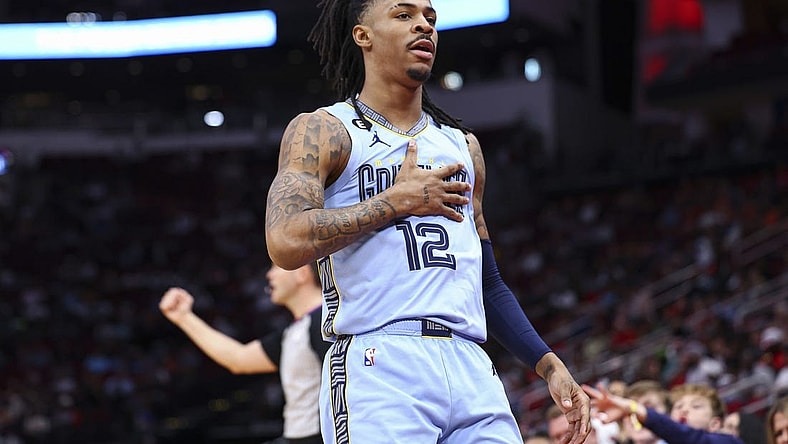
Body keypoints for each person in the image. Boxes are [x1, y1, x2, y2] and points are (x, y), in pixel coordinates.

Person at [263, 0, 591, 443]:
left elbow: (487, 281)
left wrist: (547, 363)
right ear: (364, 36)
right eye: (403, 15)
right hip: (380, 363)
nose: (423, 25)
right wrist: (395, 202)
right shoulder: (325, 131)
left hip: (470, 363)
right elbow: (284, 240)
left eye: (430, 18)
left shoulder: (463, 147)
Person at [159, 263, 328, 444]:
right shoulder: (297, 329)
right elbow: (239, 359)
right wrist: (183, 317)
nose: (269, 275)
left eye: (276, 267)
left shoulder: (325, 323)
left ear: (302, 274)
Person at [583, 382, 744, 444]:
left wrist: (634, 407)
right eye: (679, 406)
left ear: (715, 424)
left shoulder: (728, 442)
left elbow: (690, 437)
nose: (684, 410)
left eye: (696, 406)